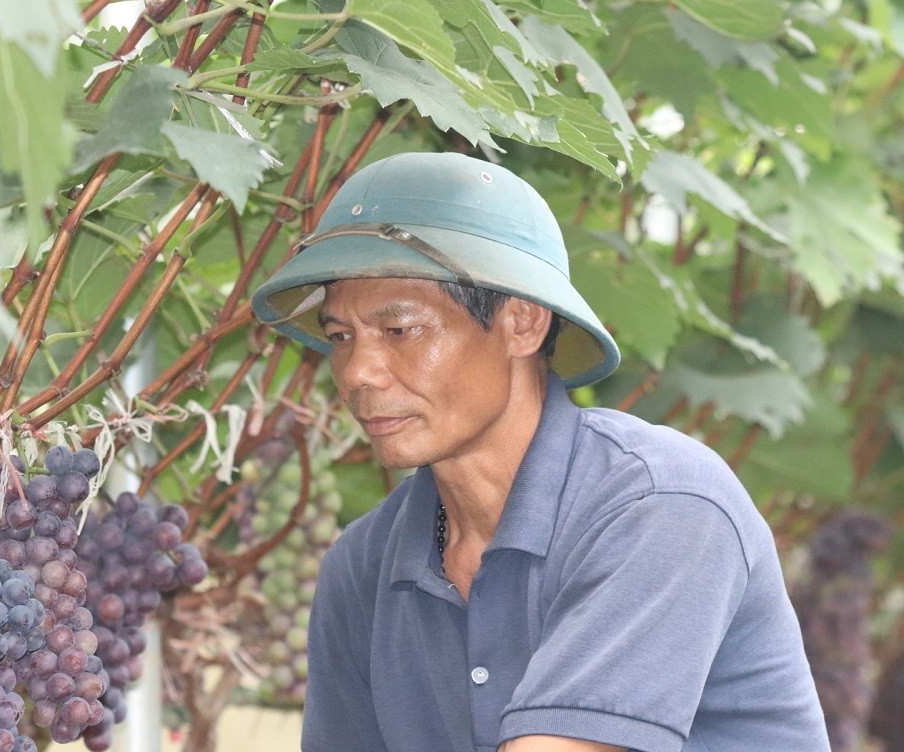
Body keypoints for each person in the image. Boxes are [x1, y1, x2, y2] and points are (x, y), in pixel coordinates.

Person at [250, 152, 830, 752]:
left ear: (522, 323)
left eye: (401, 330)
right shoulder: (362, 569)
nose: (360, 373)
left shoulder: (663, 504)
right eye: (341, 337)